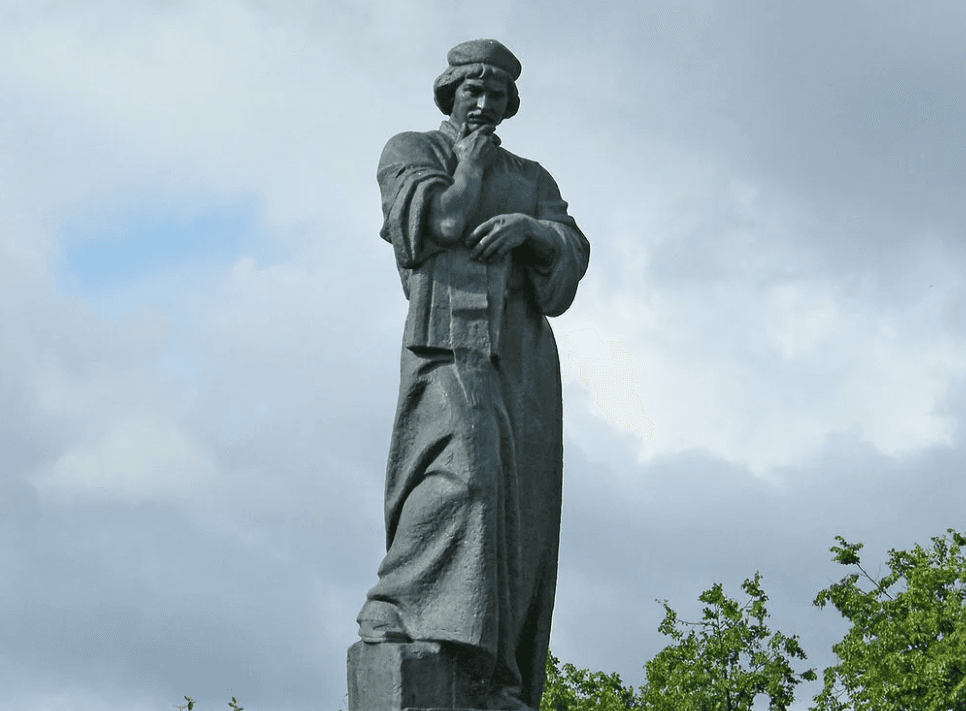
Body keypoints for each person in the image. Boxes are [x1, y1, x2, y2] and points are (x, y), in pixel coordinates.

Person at [357, 39, 590, 710]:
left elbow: (568, 266)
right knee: (463, 475)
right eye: (472, 92)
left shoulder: (533, 178)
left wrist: (530, 231)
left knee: (520, 508)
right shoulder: (411, 151)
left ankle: (493, 671)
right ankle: (396, 608)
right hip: (447, 341)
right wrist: (470, 167)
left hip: (520, 355)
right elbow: (439, 223)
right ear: (449, 93)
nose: (484, 104)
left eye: (496, 96)